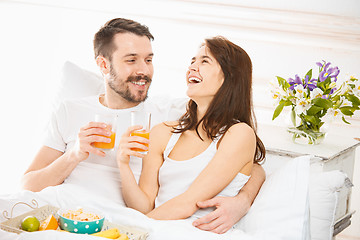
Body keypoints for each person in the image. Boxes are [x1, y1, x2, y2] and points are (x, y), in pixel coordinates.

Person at [21, 18, 265, 233]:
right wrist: (73, 155)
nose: (143, 70)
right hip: (62, 210)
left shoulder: (170, 114)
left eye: (148, 60)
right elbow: (28, 186)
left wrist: (243, 201)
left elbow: (251, 163)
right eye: (131, 60)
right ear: (104, 65)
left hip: (119, 220)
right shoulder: (69, 110)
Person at [117, 36, 266, 234]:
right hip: (155, 228)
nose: (192, 68)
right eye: (192, 61)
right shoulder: (162, 132)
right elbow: (144, 207)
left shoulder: (238, 134)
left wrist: (128, 231)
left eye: (204, 61)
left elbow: (189, 203)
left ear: (229, 77)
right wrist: (123, 164)